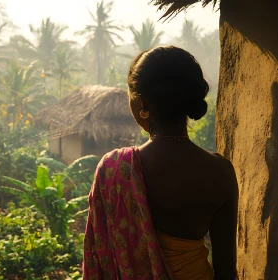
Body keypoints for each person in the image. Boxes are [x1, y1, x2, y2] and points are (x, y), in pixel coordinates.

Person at [82, 46, 238, 280]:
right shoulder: (221, 172)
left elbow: (99, 263)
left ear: (142, 103)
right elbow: (226, 272)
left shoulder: (114, 169)